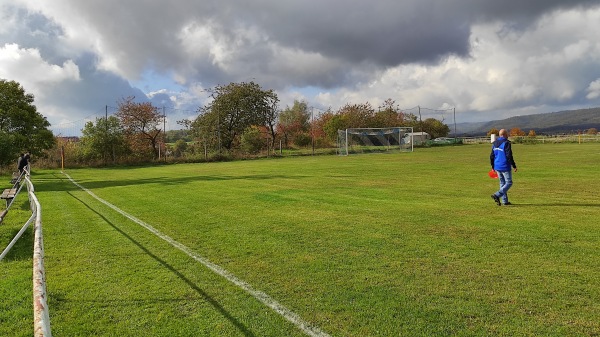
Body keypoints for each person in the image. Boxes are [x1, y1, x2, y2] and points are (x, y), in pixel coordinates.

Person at [490, 129, 517, 206]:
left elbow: (492, 156)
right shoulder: (506, 143)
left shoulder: (494, 143)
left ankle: (504, 201)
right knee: (509, 182)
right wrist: (513, 165)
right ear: (505, 134)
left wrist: (492, 166)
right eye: (507, 134)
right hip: (504, 166)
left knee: (502, 183)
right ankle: (497, 195)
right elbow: (509, 155)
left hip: (497, 166)